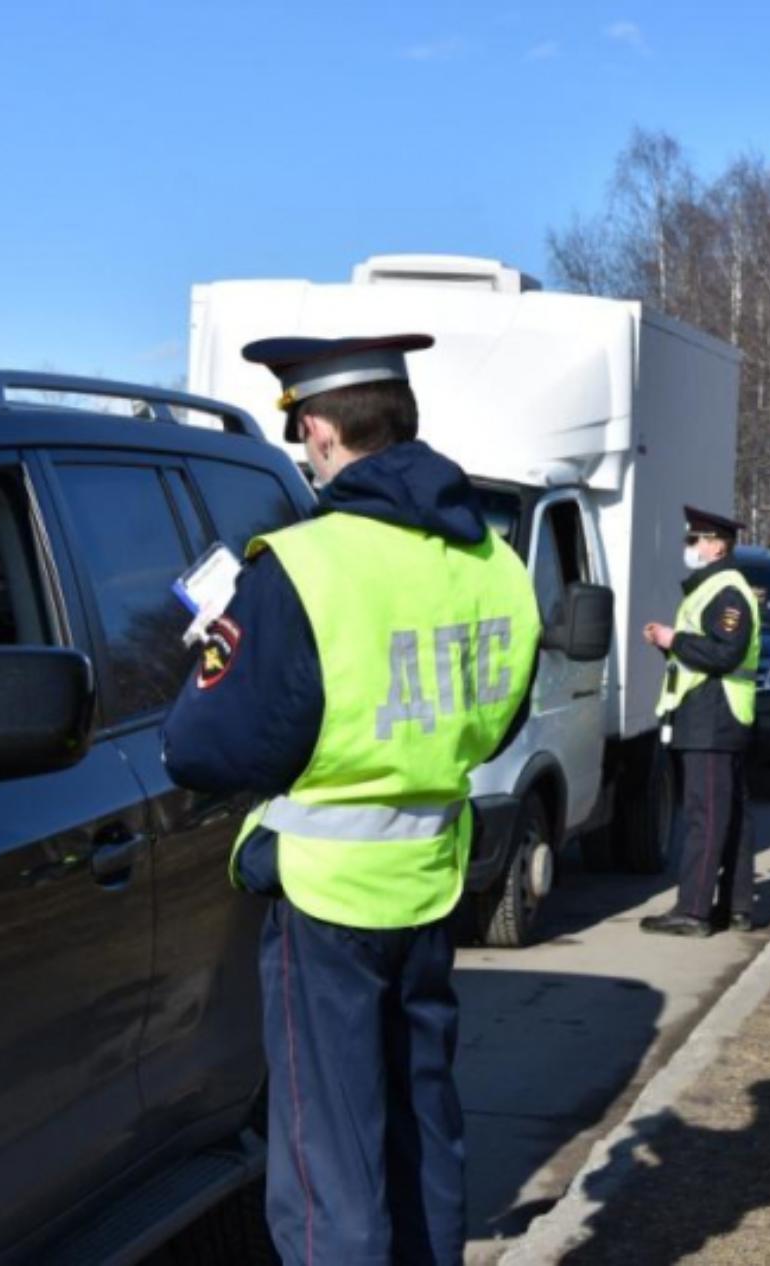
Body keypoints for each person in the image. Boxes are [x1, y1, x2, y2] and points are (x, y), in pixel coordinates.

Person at [161, 334, 540, 1266]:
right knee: (422, 1134)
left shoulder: (303, 565)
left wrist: (215, 664)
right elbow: (494, 724)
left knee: (331, 1165)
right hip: (429, 880)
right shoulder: (494, 560)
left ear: (322, 429)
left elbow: (205, 748)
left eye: (303, 434)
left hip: (327, 899)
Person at [640, 507, 761, 938]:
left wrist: (676, 640)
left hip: (713, 712)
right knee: (728, 813)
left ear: (716, 545)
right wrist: (670, 644)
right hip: (714, 711)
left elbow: (725, 652)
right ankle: (736, 905)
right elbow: (706, 650)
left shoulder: (727, 591)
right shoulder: (714, 587)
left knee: (704, 814)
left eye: (695, 540)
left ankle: (693, 911)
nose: (689, 548)